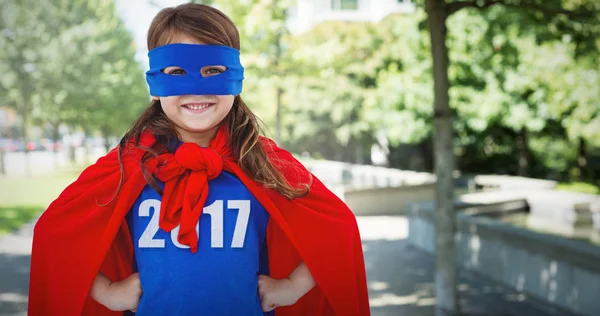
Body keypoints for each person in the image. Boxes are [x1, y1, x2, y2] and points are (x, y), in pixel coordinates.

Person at [28, 3, 369, 316]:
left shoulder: (262, 162)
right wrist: (107, 292)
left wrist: (293, 287)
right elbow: (56, 235)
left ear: (235, 76)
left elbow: (337, 230)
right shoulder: (129, 164)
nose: (196, 89)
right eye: (176, 72)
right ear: (154, 81)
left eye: (213, 71)